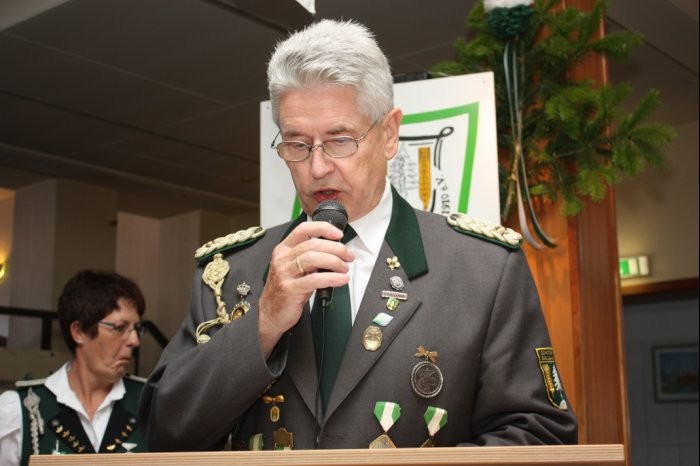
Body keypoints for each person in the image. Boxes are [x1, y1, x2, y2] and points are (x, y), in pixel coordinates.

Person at [139, 19, 577, 451]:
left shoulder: (483, 271)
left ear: (388, 134)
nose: (317, 168)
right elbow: (162, 431)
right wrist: (263, 323)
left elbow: (539, 433)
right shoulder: (230, 272)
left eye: (340, 140)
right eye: (297, 144)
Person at [0, 270, 148, 465]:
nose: (135, 341)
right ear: (79, 332)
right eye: (120, 327)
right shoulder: (21, 410)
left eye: (137, 329)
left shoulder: (151, 403)